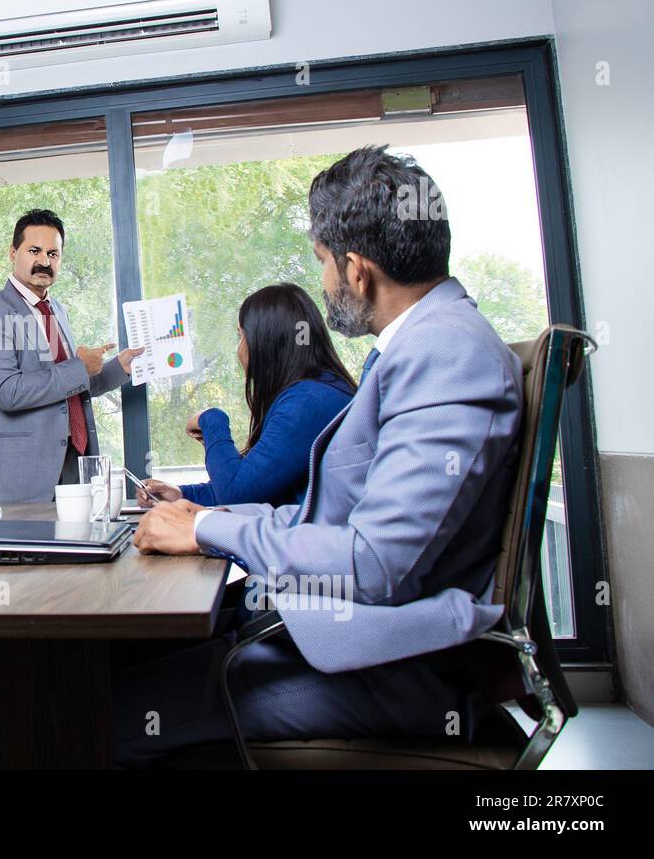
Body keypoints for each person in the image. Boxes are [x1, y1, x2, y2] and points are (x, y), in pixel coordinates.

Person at [115, 145, 523, 767]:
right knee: (125, 658)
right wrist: (209, 525)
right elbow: (322, 514)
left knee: (105, 707)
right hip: (338, 635)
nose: (326, 282)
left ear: (358, 271)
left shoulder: (446, 354)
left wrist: (206, 527)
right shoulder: (423, 347)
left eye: (324, 263)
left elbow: (375, 562)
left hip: (390, 666)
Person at [0, 209, 143, 503]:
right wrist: (79, 366)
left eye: (53, 253)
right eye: (34, 251)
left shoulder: (57, 310)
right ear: (13, 253)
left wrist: (118, 367)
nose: (44, 262)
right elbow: (9, 392)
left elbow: (68, 386)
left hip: (74, 464)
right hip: (21, 477)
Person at [136, 283, 355, 509]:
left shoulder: (306, 403)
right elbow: (256, 485)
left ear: (265, 343)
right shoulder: (318, 392)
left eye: (241, 336)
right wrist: (181, 495)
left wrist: (210, 419)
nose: (239, 348)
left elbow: (236, 494)